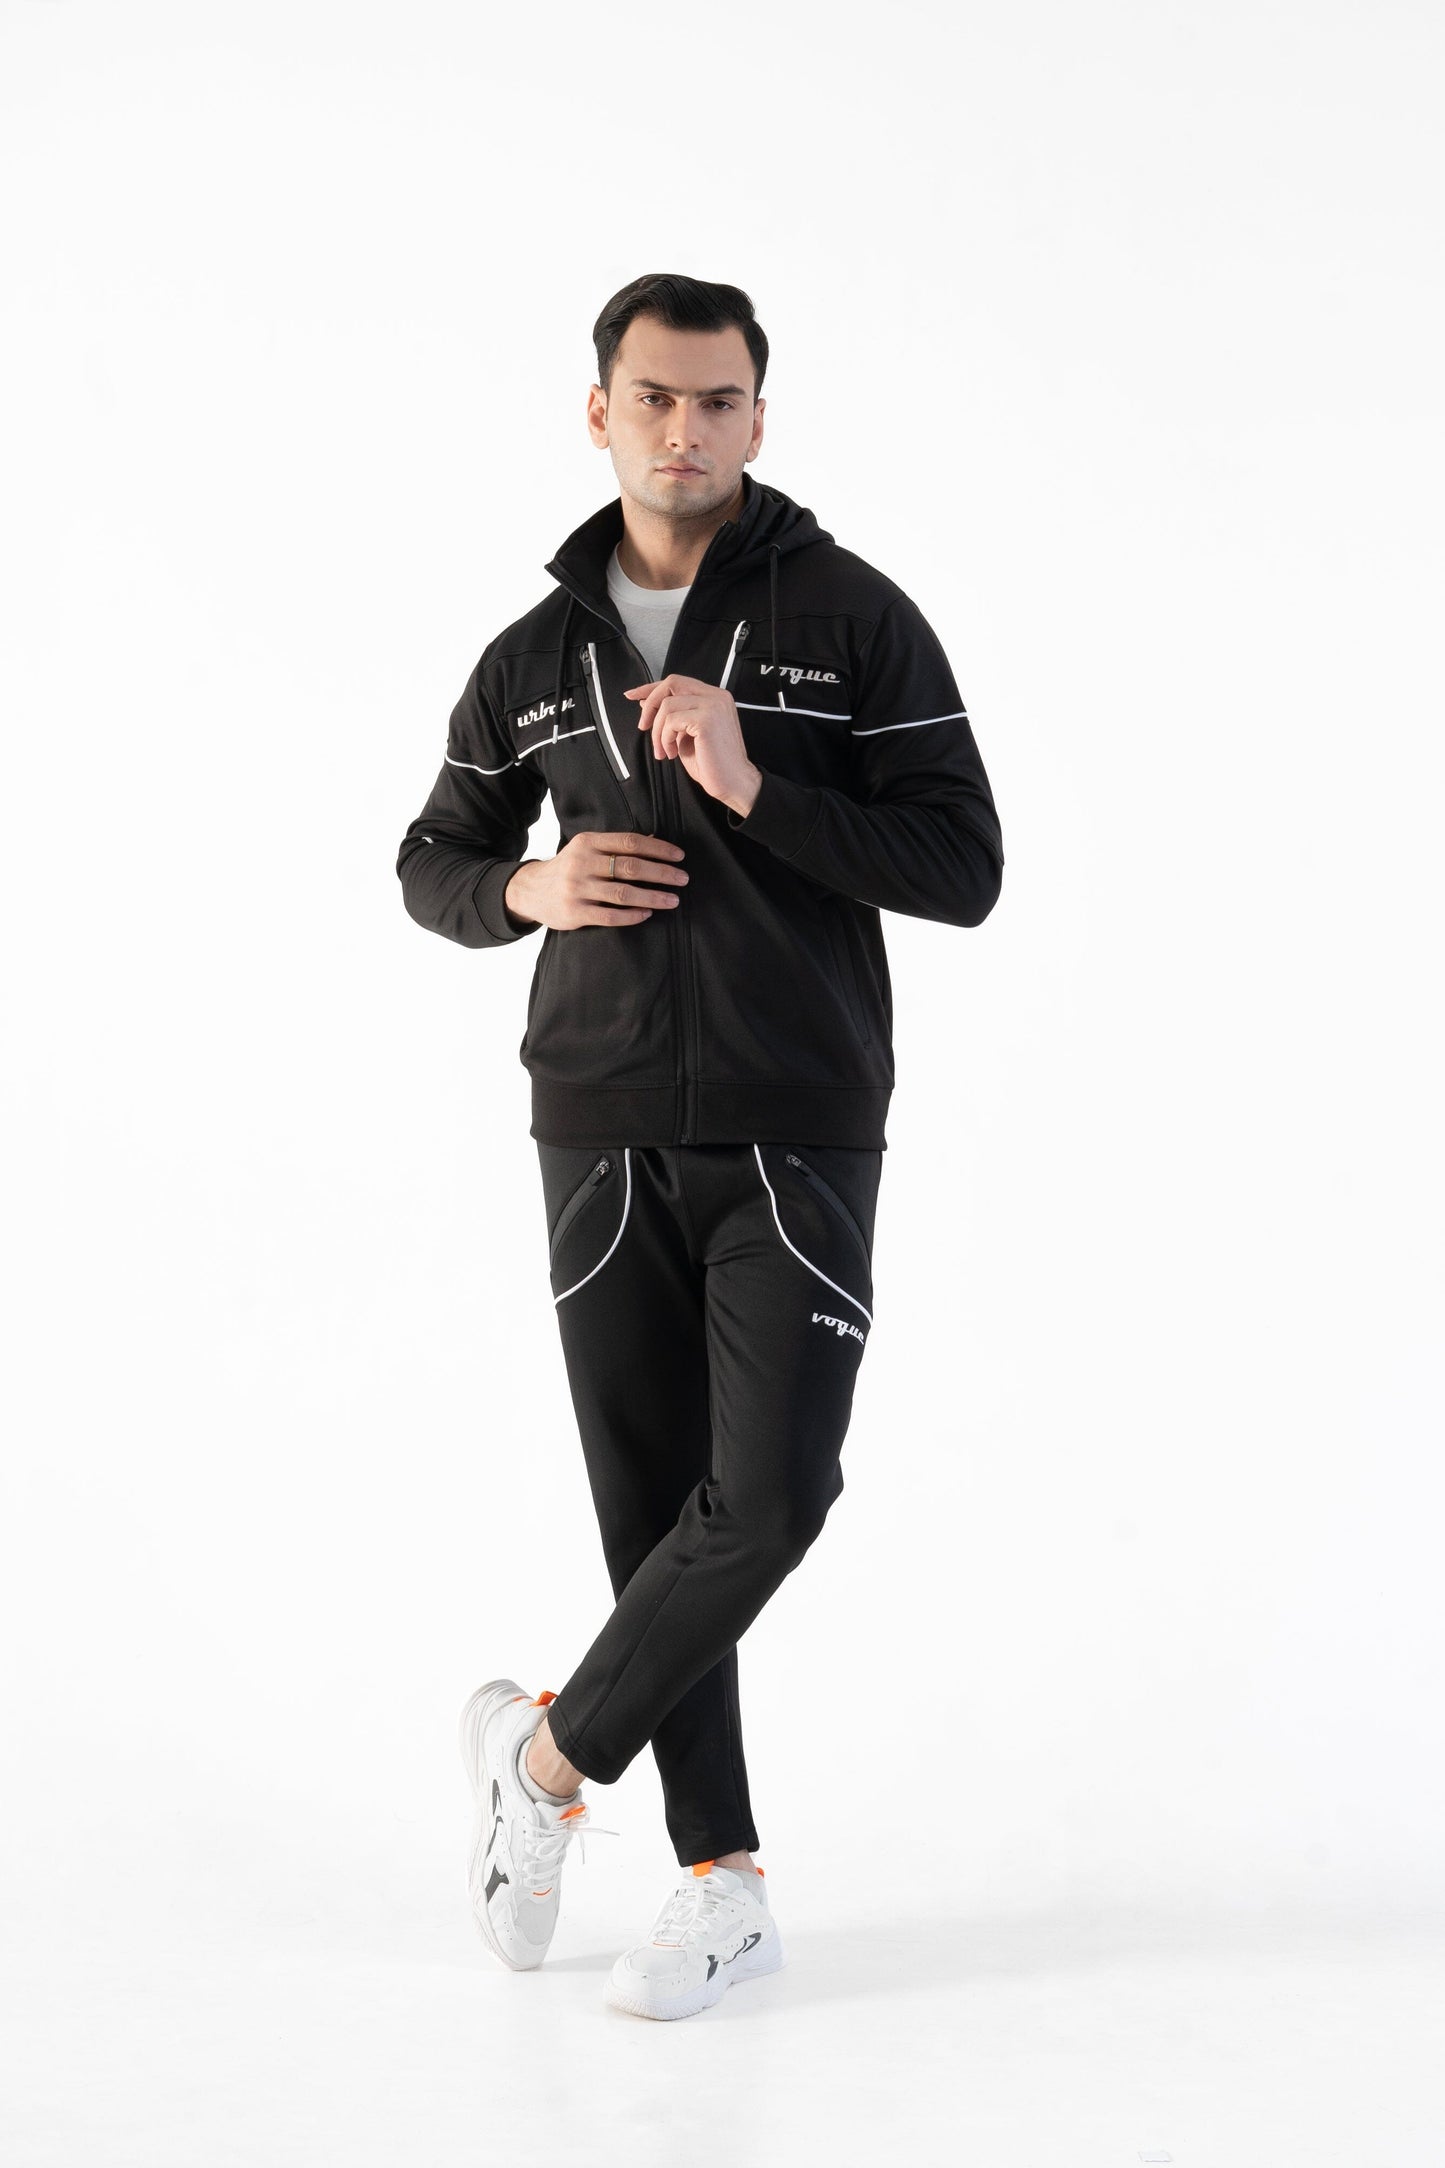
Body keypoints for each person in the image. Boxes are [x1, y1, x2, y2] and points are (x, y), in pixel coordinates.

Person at [396, 272, 1004, 2021]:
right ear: (600, 411)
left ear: (757, 415)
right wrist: (526, 887)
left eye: (718, 399)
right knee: (653, 1515)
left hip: (794, 1119)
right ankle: (718, 1880)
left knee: (773, 1497)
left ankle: (541, 1763)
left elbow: (963, 866)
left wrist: (757, 790)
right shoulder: (531, 656)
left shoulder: (852, 617)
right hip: (592, 1123)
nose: (686, 428)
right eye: (655, 398)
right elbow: (433, 860)